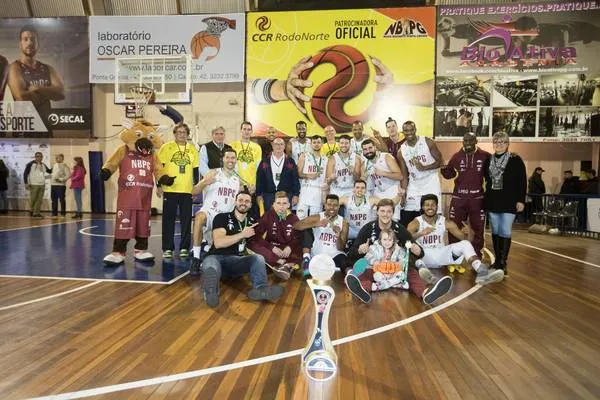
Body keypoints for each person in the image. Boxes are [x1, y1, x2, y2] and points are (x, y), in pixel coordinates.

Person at [345, 198, 452, 305]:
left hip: (395, 268)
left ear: (393, 213)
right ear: (377, 212)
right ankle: (362, 291)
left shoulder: (399, 229)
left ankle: (426, 293)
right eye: (382, 211)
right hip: (375, 267)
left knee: (411, 272)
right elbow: (352, 254)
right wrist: (360, 250)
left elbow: (417, 249)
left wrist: (418, 251)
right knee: (363, 270)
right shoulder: (367, 229)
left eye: (389, 211)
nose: (385, 214)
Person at [201, 191, 284, 308]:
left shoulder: (252, 222)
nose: (243, 203)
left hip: (236, 262)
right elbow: (219, 242)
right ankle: (211, 291)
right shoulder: (222, 217)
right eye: (240, 200)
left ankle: (261, 289)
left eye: (247, 201)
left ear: (250, 205)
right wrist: (242, 234)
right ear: (235, 202)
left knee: (258, 258)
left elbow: (259, 242)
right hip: (216, 257)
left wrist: (273, 252)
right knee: (210, 264)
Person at [407, 194, 504, 284]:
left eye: (433, 205)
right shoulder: (416, 222)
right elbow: (406, 240)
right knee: (410, 250)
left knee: (465, 243)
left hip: (441, 255)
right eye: (427, 205)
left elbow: (467, 241)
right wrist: (420, 233)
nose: (430, 207)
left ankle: (481, 271)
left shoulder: (445, 221)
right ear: (423, 207)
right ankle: (426, 274)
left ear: (437, 206)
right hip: (424, 256)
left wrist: (470, 232)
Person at [190, 149, 241, 273]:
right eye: (228, 157)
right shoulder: (212, 173)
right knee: (199, 218)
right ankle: (196, 258)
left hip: (224, 219)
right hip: (210, 212)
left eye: (233, 158)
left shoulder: (237, 179)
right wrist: (205, 182)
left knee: (220, 254)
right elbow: (194, 191)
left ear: (236, 160)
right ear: (223, 159)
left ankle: (208, 247)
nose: (230, 160)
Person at [484, 131, 527, 277]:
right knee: (495, 230)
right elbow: (485, 179)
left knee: (505, 230)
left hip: (509, 200)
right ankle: (497, 261)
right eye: (496, 142)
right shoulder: (488, 160)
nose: (499, 144)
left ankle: (503, 263)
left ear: (508, 144)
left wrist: (521, 200)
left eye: (502, 142)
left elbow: (522, 181)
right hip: (493, 199)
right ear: (493, 143)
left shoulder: (515, 159)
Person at [8, 26, 65, 135]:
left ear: (38, 43)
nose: (29, 43)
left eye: (33, 39)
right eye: (25, 39)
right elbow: (22, 97)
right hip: (24, 130)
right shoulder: (14, 67)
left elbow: (61, 94)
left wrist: (38, 88)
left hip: (45, 127)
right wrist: (49, 92)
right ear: (20, 44)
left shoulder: (48, 68)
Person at [440, 132, 490, 255]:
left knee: (478, 228)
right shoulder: (456, 156)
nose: (467, 143)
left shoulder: (485, 156)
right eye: (465, 141)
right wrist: (443, 168)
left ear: (476, 141)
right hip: (459, 197)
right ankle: (454, 254)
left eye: (470, 140)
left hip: (477, 199)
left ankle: (477, 254)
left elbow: (492, 175)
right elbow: (449, 175)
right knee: (454, 226)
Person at [158, 122, 200, 259]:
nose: (182, 134)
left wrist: (195, 188)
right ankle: (167, 248)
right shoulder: (166, 147)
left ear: (187, 135)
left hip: (187, 190)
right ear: (175, 134)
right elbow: (158, 168)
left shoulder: (192, 149)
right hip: (170, 189)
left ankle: (184, 247)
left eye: (184, 132)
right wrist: (158, 185)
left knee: (186, 221)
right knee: (168, 220)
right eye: (179, 132)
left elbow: (196, 170)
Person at [248, 191, 302, 280]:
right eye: (278, 203)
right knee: (251, 243)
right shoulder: (268, 215)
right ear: (274, 204)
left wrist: (289, 247)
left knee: (301, 247)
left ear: (289, 205)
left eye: (284, 203)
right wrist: (271, 247)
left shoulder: (294, 218)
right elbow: (256, 235)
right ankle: (280, 262)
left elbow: (297, 238)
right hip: (272, 249)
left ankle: (286, 265)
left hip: (286, 250)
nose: (281, 206)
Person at [398, 121, 443, 227]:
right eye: (406, 130)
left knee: (433, 210)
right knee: (408, 210)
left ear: (415, 130)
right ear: (403, 132)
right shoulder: (401, 151)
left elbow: (440, 161)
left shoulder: (427, 142)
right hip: (414, 183)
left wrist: (424, 168)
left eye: (411, 129)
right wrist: (404, 194)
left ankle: (436, 237)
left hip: (430, 180)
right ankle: (411, 240)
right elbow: (404, 175)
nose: (409, 132)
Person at [293, 194, 349, 276]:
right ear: (324, 206)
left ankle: (350, 274)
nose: (332, 208)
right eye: (329, 205)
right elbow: (296, 226)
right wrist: (316, 224)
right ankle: (306, 260)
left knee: (344, 260)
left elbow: (341, 248)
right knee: (306, 228)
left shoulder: (344, 223)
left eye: (335, 205)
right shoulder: (317, 217)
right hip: (316, 254)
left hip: (333, 256)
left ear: (339, 207)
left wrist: (338, 236)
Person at [359, 139, 404, 220]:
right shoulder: (365, 164)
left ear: (375, 147)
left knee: (392, 220)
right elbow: (369, 186)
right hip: (379, 193)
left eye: (370, 148)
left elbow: (400, 176)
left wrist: (384, 173)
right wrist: (364, 179)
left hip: (392, 191)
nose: (368, 151)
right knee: (375, 220)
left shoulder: (386, 157)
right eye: (365, 149)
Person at [256, 137, 300, 212]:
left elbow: (295, 178)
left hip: (286, 195)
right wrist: (259, 195)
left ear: (284, 146)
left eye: (281, 144)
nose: (279, 146)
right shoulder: (265, 161)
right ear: (272, 145)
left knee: (285, 220)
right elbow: (259, 179)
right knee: (269, 219)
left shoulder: (290, 161)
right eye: (276, 144)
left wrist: (296, 194)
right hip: (268, 196)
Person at [297, 135, 327, 219]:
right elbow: (298, 173)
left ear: (322, 144)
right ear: (311, 144)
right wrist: (308, 175)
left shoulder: (326, 159)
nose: (316, 144)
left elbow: (327, 178)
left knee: (315, 221)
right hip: (305, 191)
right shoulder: (304, 156)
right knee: (301, 218)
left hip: (318, 192)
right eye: (314, 142)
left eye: (318, 142)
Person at [230, 121, 262, 195]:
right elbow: (229, 167)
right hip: (236, 184)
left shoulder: (257, 147)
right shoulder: (232, 145)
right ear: (241, 131)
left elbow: (258, 168)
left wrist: (255, 184)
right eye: (244, 129)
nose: (246, 131)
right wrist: (237, 183)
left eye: (249, 129)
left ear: (251, 131)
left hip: (251, 185)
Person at [325, 134, 359, 201]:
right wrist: (331, 178)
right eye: (342, 143)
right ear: (338, 144)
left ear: (350, 144)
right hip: (336, 190)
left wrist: (354, 172)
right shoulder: (332, 158)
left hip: (350, 190)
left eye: (346, 143)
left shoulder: (356, 158)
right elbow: (327, 181)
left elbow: (358, 180)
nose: (344, 145)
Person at [23, 152, 50, 218]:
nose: (39, 158)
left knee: (39, 199)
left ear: (42, 157)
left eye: (40, 156)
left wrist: (56, 166)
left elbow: (49, 171)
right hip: (34, 184)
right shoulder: (30, 164)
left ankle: (36, 212)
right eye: (38, 156)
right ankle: (31, 210)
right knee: (33, 199)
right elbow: (25, 173)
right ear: (35, 157)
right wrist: (26, 183)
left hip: (42, 184)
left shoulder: (43, 164)